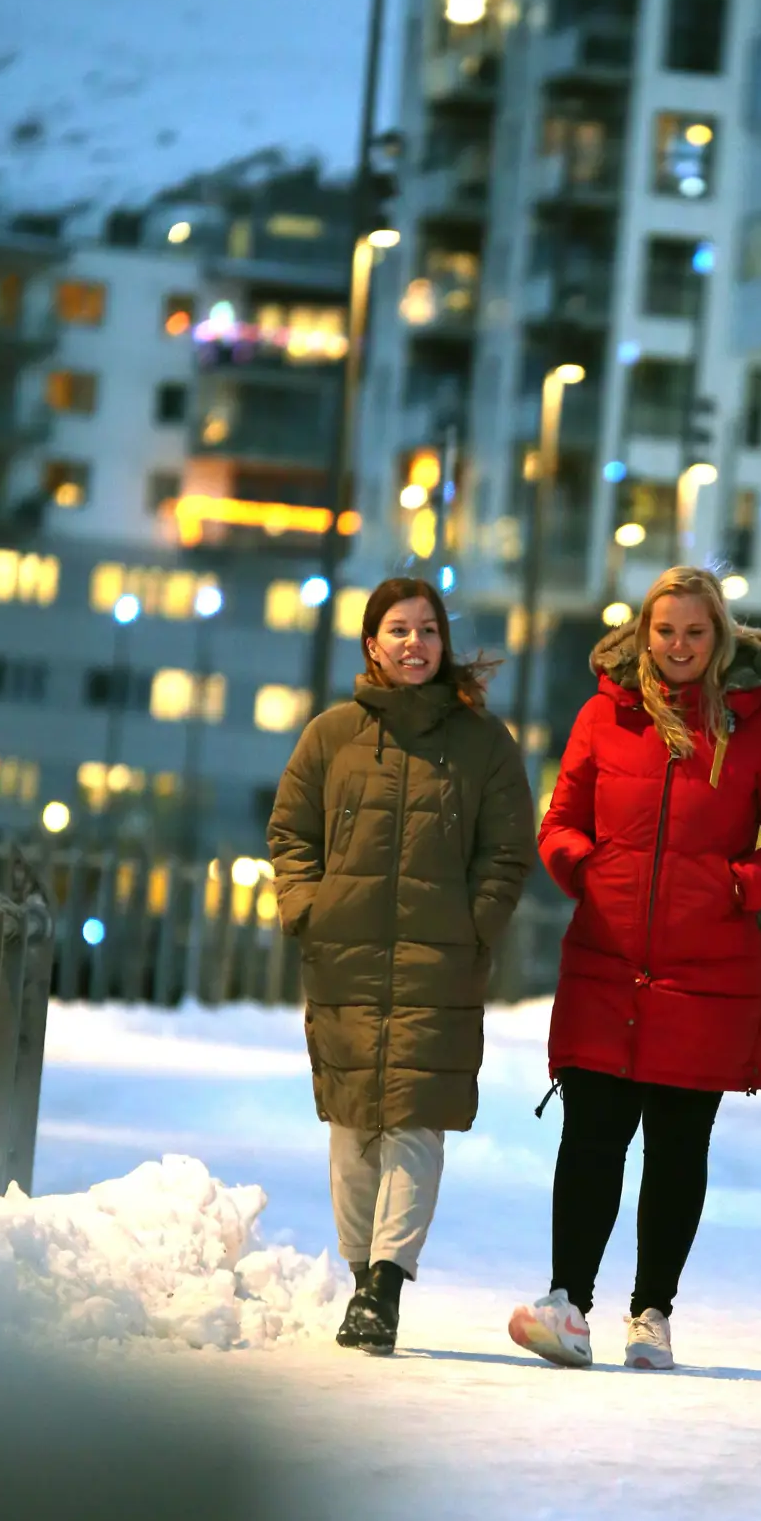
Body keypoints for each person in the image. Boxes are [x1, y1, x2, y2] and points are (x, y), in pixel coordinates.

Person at [509, 567, 761, 1371]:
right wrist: (583, 867)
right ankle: (566, 1302)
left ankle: (652, 1312)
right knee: (589, 1138)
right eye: (665, 630)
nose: (679, 645)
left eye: (695, 631)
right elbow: (560, 819)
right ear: (642, 635)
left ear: (719, 637)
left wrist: (734, 884)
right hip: (605, 960)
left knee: (678, 1151)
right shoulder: (602, 715)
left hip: (707, 971)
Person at [268, 577, 533, 1353]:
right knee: (353, 1127)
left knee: (416, 1121)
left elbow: (509, 847)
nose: (414, 642)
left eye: (427, 629)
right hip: (344, 956)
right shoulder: (331, 735)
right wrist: (307, 908)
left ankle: (386, 1282)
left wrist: (474, 922)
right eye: (398, 629)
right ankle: (361, 1278)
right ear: (371, 644)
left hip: (438, 961)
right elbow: (290, 831)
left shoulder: (484, 742)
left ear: (444, 642)